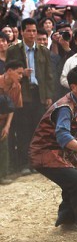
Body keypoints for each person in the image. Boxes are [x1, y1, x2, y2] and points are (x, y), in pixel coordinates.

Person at [29, 66, 77, 236]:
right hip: (45, 153)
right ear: (73, 87)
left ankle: (66, 219)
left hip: (61, 153)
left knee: (73, 180)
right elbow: (63, 137)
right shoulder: (65, 108)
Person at [6, 18, 54, 174]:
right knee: (23, 130)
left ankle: (38, 162)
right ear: (22, 32)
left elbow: (49, 75)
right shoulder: (14, 50)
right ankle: (25, 163)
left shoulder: (43, 50)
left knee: (39, 130)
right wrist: (21, 74)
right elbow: (9, 71)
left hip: (39, 94)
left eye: (34, 30)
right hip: (22, 94)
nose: (32, 34)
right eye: (29, 30)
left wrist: (48, 95)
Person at [0, 60, 24, 183]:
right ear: (9, 71)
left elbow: (12, 107)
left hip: (3, 120)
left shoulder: (17, 87)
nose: (21, 76)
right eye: (18, 73)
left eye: (22, 74)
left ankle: (2, 176)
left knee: (3, 146)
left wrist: (7, 125)